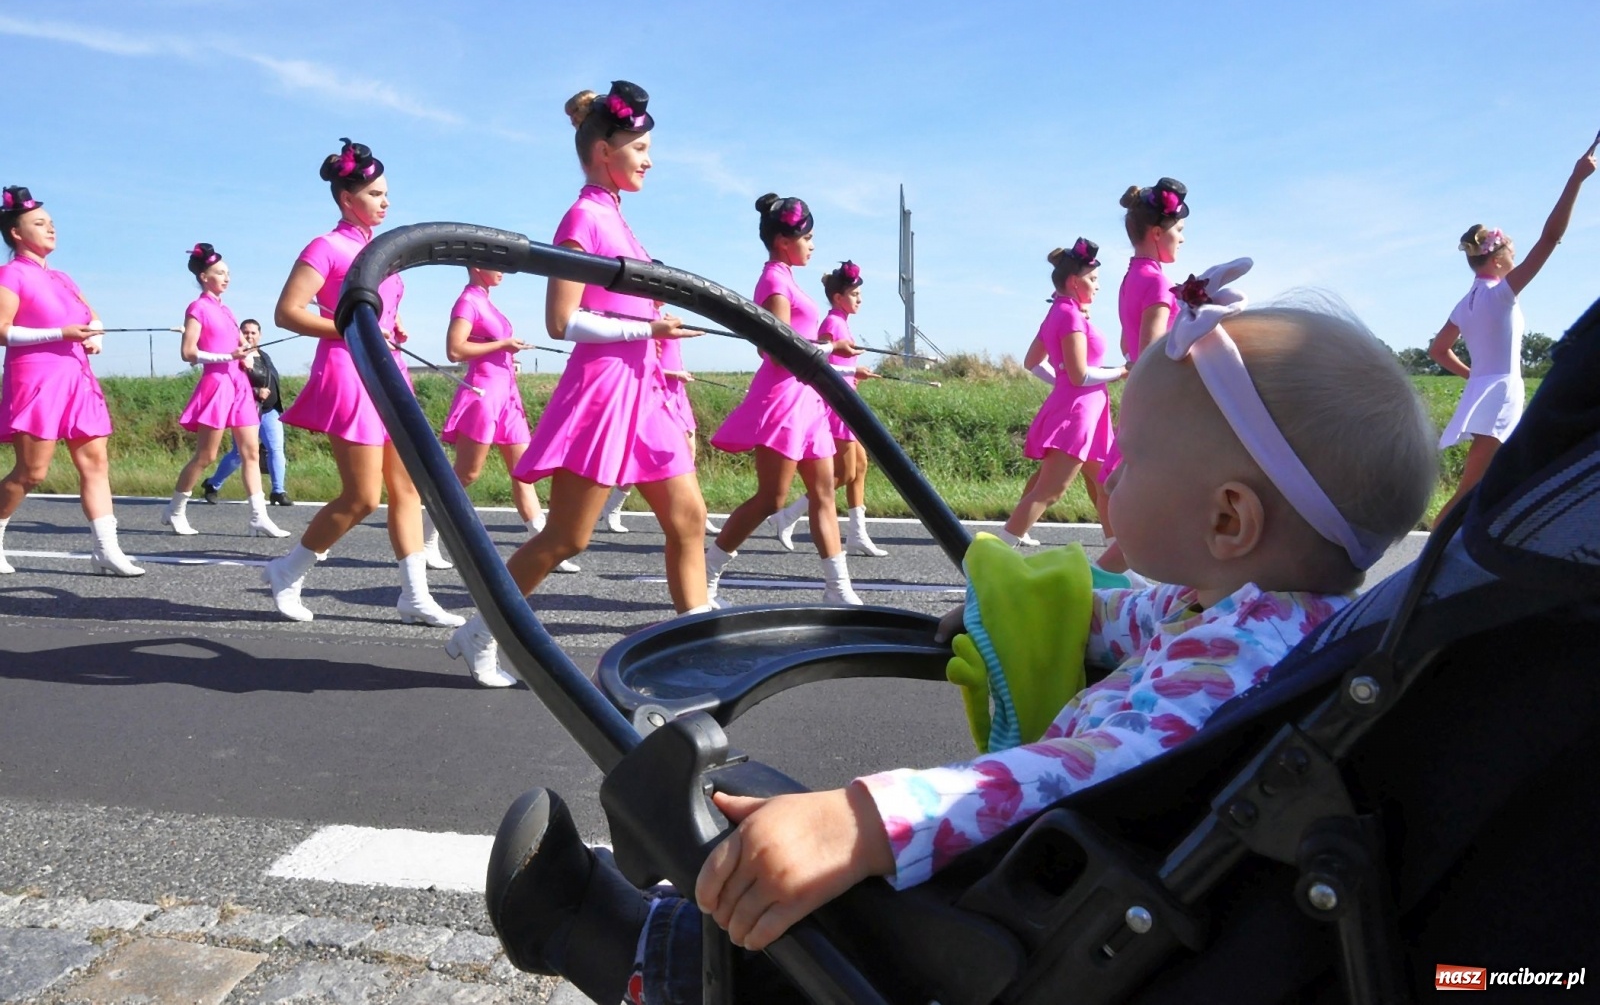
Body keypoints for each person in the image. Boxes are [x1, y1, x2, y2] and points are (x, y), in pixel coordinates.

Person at [479, 282, 1440, 1005]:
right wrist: (999, 611)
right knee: (794, 826)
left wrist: (868, 821)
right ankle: (677, 916)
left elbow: (1082, 771)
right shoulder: (1250, 614)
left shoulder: (1226, 669)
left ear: (1229, 518)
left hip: (1039, 901)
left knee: (810, 852)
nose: (1109, 470)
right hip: (1068, 875)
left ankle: (638, 952)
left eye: (1133, 454)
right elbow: (1122, 614)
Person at [445, 82, 711, 687]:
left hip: (646, 391)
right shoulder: (584, 216)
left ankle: (697, 652)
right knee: (567, 536)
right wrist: (646, 328)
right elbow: (561, 321)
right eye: (639, 148)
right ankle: (479, 630)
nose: (649, 160)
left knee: (689, 520)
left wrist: (658, 332)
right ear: (602, 151)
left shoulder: (617, 216)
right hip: (604, 391)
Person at [262, 139, 463, 629]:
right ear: (347, 199)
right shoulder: (326, 247)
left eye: (386, 193)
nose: (385, 201)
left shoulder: (378, 251)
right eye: (375, 194)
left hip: (388, 368)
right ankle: (288, 570)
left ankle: (415, 596)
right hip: (348, 369)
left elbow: (380, 307)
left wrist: (392, 325)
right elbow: (287, 312)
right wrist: (353, 326)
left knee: (408, 488)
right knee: (362, 496)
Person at [1428, 136, 1597, 527]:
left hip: (1486, 390)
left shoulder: (1467, 302)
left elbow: (1438, 350)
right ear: (1498, 259)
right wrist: (1576, 180)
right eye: (1511, 253)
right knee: (1471, 488)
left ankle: (1464, 542)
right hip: (1502, 393)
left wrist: (1474, 377)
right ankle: (1433, 552)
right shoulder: (1500, 294)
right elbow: (1551, 239)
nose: (1515, 257)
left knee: (1485, 483)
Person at [705, 195, 865, 605]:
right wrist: (830, 348)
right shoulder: (775, 282)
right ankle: (706, 575)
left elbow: (798, 342)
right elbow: (776, 351)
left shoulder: (789, 279)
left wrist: (827, 349)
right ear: (783, 241)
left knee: (824, 493)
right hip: (784, 398)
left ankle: (839, 589)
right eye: (807, 238)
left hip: (807, 399)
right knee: (771, 498)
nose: (812, 245)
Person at [0, 186, 142, 577]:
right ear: (16, 232)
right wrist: (60, 334)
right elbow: (2, 330)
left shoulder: (62, 278)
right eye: (39, 223)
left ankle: (106, 549)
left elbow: (91, 316)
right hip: (37, 378)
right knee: (32, 472)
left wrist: (95, 334)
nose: (51, 228)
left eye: (51, 223)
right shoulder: (10, 275)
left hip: (78, 377)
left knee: (95, 463)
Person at [435, 266, 578, 574]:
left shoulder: (487, 302)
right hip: (483, 394)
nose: (502, 271)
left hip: (508, 397)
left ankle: (545, 549)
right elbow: (454, 350)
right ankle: (426, 538)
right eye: (495, 265)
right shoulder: (468, 302)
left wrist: (508, 348)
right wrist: (502, 345)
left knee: (523, 472)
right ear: (477, 267)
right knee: (468, 473)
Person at [1092, 177, 1192, 568]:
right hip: (1159, 398)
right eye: (1179, 230)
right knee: (1173, 494)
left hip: (1139, 396)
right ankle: (1103, 576)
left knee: (1147, 492)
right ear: (1157, 233)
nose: (1182, 238)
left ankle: (1110, 575)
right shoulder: (1158, 283)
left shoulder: (1132, 277)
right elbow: (1153, 351)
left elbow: (1127, 344)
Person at [1000, 239, 1126, 546]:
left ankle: (1119, 563)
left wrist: (1062, 383)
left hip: (1088, 412)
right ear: (1074, 281)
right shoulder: (1070, 316)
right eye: (1092, 279)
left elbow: (1033, 363)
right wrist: (1122, 371)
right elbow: (1080, 374)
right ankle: (989, 558)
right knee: (1050, 491)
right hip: (1078, 413)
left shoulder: (1061, 312)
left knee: (1105, 485)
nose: (1098, 286)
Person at [164, 246, 288, 539]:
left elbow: (239, 346)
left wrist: (245, 354)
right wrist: (228, 356)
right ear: (204, 277)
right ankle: (175, 510)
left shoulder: (227, 310)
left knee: (251, 452)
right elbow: (188, 353)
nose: (227, 277)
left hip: (240, 385)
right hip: (217, 384)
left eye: (228, 273)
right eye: (220, 272)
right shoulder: (197, 308)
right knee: (205, 456)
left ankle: (259, 517)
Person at [766, 260, 887, 556]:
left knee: (859, 467)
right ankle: (788, 516)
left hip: (848, 401)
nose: (859, 300)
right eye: (854, 295)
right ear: (838, 297)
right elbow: (820, 364)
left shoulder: (842, 322)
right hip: (836, 405)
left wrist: (855, 374)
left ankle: (857, 534)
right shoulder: (832, 324)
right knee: (844, 472)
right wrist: (853, 372)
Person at [594, 328, 721, 536]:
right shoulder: (649, 325)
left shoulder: (666, 321)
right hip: (657, 393)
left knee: (689, 455)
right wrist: (673, 374)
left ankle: (699, 515)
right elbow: (644, 364)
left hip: (677, 393)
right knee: (643, 459)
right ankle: (613, 507)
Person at [200, 318, 292, 507]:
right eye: (245, 332)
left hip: (270, 410)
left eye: (253, 332)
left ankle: (278, 491)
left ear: (260, 335)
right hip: (246, 411)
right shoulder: (235, 357)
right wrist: (256, 392)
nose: (249, 336)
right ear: (239, 335)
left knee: (276, 450)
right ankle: (213, 484)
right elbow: (232, 384)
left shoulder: (264, 355)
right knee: (238, 454)